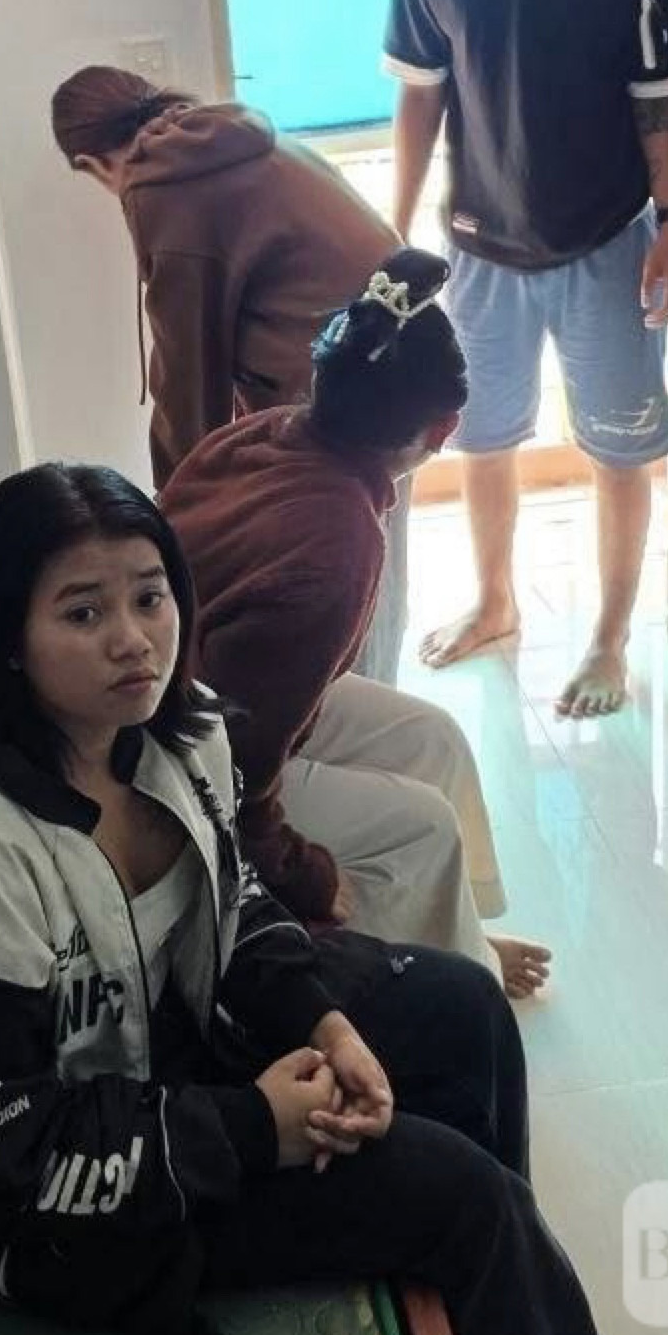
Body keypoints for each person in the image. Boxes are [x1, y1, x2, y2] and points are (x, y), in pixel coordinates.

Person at [0, 464, 604, 1335]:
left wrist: (326, 1025)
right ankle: (485, 1249)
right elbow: (5, 1161)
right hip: (80, 1206)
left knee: (465, 1006)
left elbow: (232, 902)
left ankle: (491, 1291)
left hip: (191, 1047)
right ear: (9, 640)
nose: (133, 641)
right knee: (470, 1201)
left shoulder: (181, 732)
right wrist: (254, 1127)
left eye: (149, 598)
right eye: (83, 614)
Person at [384, 0, 668, 717]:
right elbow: (420, 99)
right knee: (480, 438)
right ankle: (493, 602)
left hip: (609, 238)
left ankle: (608, 641)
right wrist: (392, 239)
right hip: (478, 246)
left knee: (620, 449)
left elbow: (658, 96)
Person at [159, 248, 551, 999]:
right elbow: (236, 767)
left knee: (433, 740)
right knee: (422, 827)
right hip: (181, 759)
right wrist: (303, 873)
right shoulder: (334, 546)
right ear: (445, 429)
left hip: (210, 691)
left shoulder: (267, 431)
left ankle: (456, 935)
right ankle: (445, 994)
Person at [54, 67, 413, 679]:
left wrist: (177, 512)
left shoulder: (163, 186)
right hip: (402, 364)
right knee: (373, 568)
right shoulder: (226, 136)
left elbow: (186, 373)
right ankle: (369, 694)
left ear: (92, 164)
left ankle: (342, 711)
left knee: (334, 588)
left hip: (340, 395)